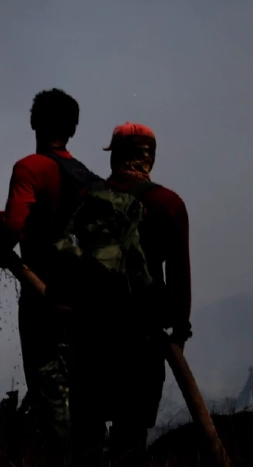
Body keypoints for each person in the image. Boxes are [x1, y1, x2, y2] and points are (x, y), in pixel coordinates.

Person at [0, 88, 99, 458]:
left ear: (34, 123)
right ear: (73, 129)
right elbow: (36, 220)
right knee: (84, 398)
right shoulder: (89, 180)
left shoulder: (29, 167)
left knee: (51, 398)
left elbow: (16, 226)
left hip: (43, 301)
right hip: (87, 305)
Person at [62, 122, 192, 466]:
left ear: (114, 157)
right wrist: (179, 332)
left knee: (86, 439)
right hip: (142, 341)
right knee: (131, 441)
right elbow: (180, 277)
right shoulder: (168, 203)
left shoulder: (85, 198)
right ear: (150, 157)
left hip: (88, 336)